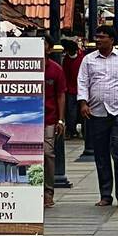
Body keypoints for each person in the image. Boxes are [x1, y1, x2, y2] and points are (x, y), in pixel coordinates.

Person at [77, 26, 118, 207]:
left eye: (102, 37)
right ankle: (105, 194)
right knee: (101, 155)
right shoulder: (88, 60)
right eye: (97, 37)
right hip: (97, 112)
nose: (98, 40)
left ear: (112, 39)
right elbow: (83, 82)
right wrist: (83, 103)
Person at [44, 42, 67, 209]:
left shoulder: (55, 69)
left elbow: (60, 95)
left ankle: (48, 192)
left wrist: (60, 119)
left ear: (49, 48)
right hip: (28, 119)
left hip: (49, 118)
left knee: (47, 153)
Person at [61, 36, 85, 138]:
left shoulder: (82, 58)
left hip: (80, 89)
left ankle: (81, 130)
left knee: (79, 112)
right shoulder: (68, 59)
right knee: (71, 112)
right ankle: (71, 130)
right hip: (71, 89)